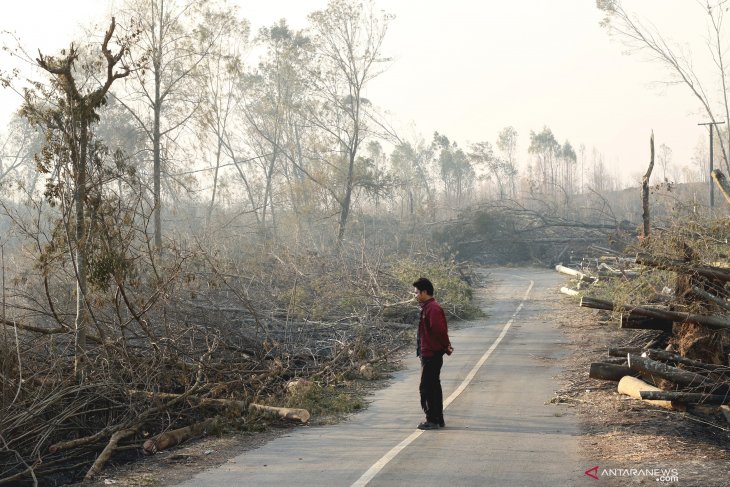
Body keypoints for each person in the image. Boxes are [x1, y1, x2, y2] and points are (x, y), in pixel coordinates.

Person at [413, 277, 453, 430]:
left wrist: (446, 346)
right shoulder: (427, 307)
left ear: (424, 292)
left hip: (432, 354)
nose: (415, 295)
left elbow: (439, 331)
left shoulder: (433, 308)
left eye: (416, 292)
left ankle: (432, 420)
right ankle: (438, 419)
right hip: (429, 352)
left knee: (427, 387)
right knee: (434, 386)